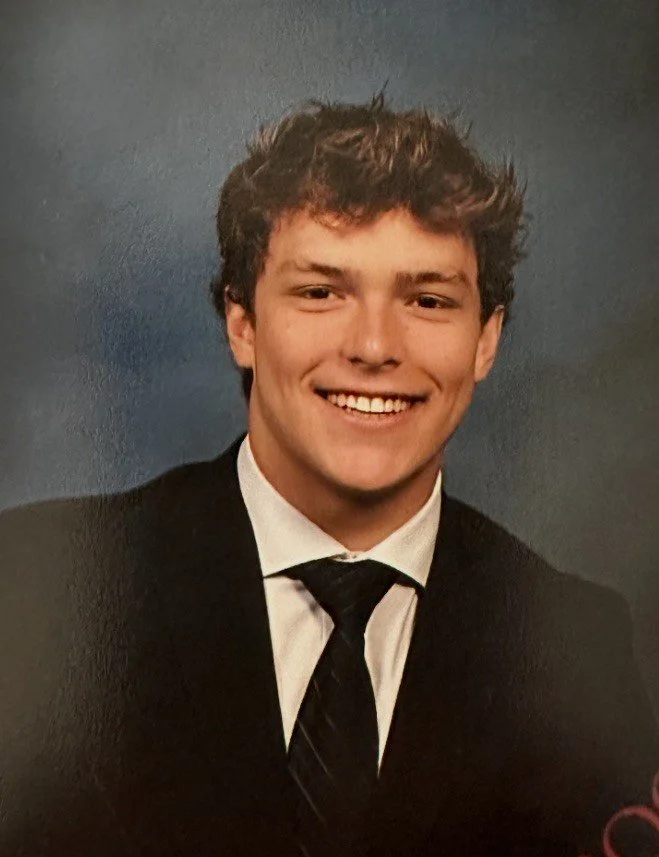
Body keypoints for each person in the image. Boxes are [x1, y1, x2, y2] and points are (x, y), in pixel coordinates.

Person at [0, 95, 657, 857]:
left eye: (427, 300)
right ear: (242, 322)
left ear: (486, 339)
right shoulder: (40, 583)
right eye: (320, 292)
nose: (374, 346)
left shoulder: (574, 639)